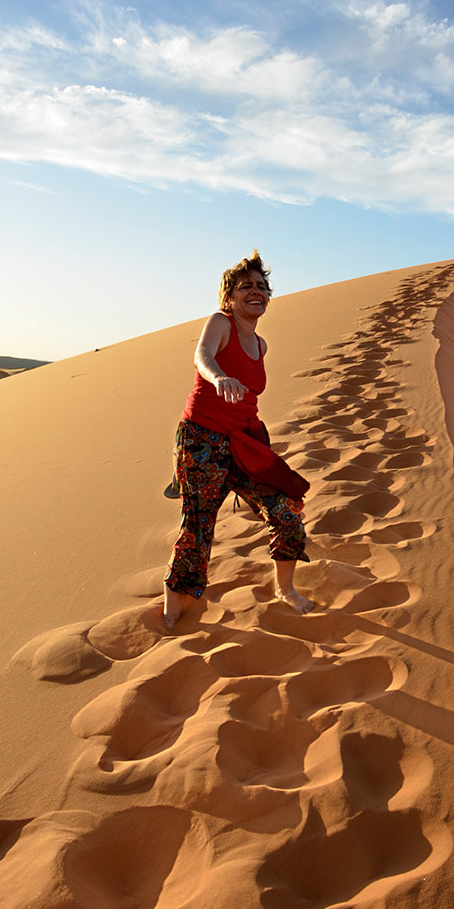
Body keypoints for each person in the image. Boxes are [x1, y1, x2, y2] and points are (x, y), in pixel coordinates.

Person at [163, 251, 314, 632]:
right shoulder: (221, 323)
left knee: (287, 511)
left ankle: (285, 589)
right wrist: (218, 378)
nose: (256, 291)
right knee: (198, 527)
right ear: (229, 296)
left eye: (262, 287)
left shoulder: (261, 345)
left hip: (243, 442)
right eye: (246, 285)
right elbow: (201, 354)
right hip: (202, 439)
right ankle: (171, 609)